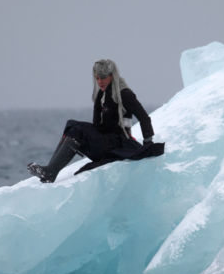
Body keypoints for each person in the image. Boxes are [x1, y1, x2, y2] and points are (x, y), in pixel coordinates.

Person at [27, 59, 164, 183]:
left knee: (77, 130)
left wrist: (148, 143)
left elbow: (144, 118)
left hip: (119, 143)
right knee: (72, 126)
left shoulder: (124, 94)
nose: (100, 81)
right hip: (105, 141)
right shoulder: (101, 95)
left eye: (103, 77)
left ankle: (50, 172)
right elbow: (98, 125)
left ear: (112, 76)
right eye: (97, 78)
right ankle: (51, 170)